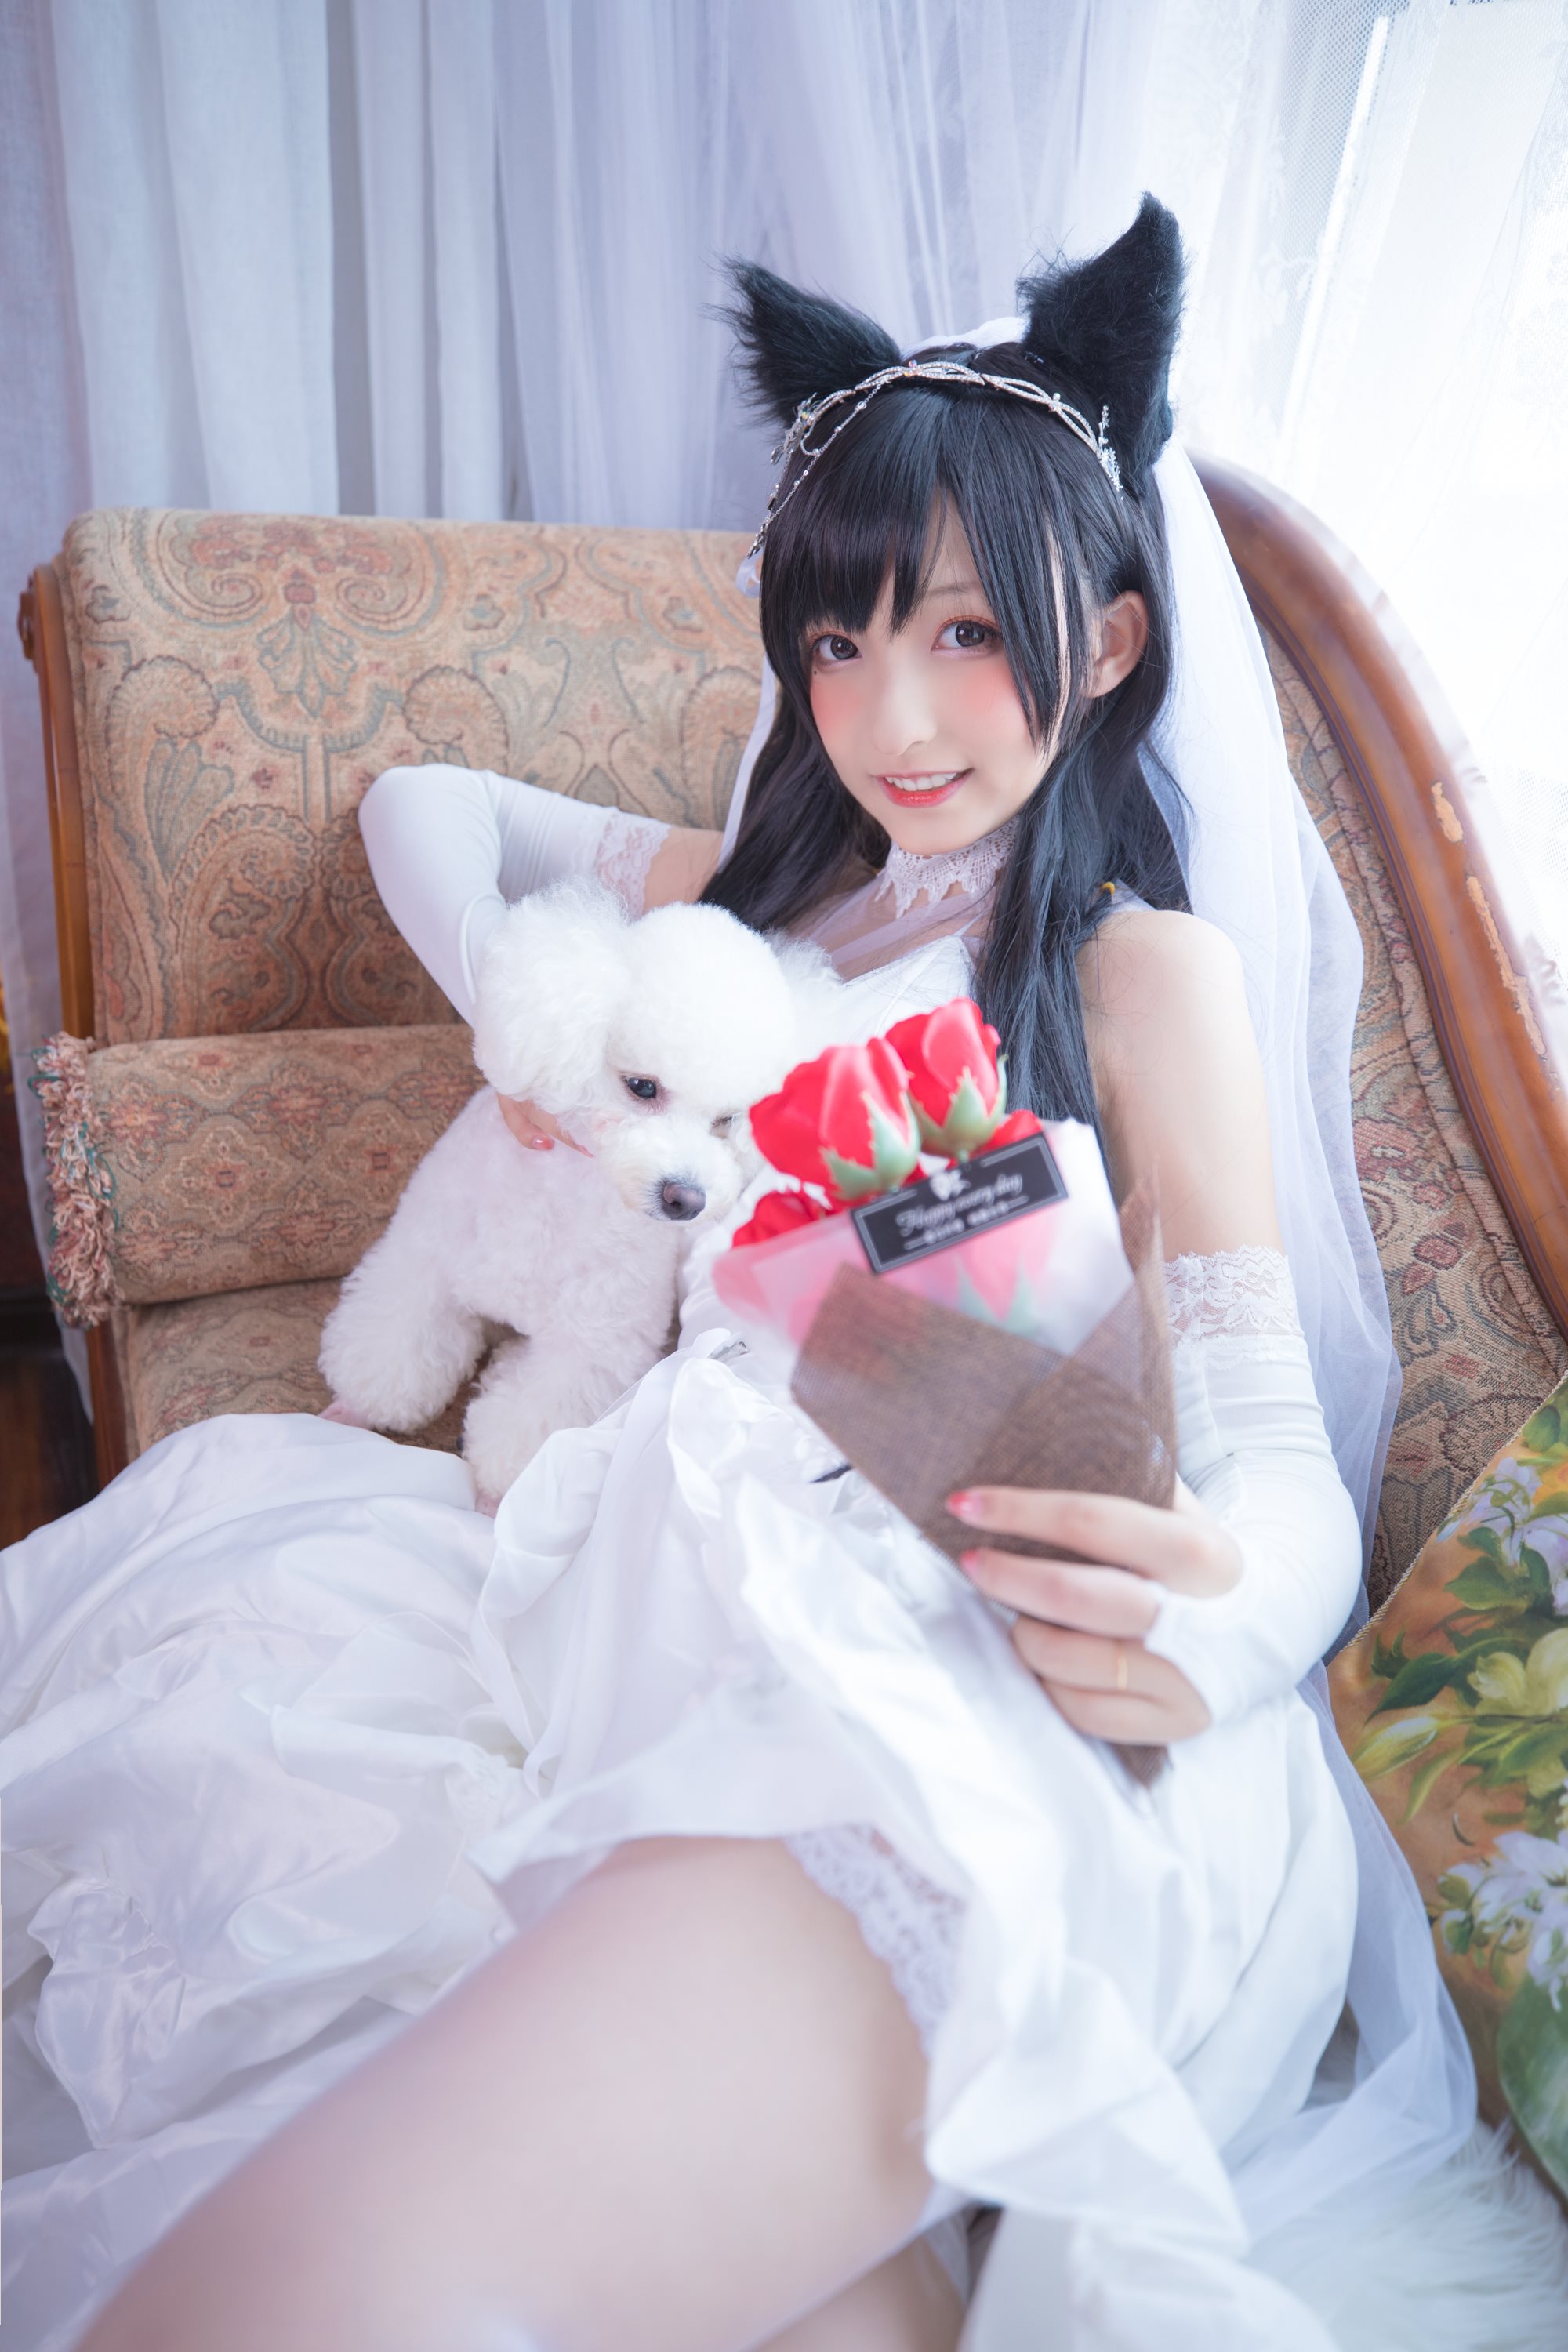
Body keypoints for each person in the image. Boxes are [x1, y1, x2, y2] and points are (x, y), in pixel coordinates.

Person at [2, 198, 1470, 2352]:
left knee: (298, 2293)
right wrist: (556, 1022)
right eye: (840, 643)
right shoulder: (756, 902)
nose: (895, 713)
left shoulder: (1137, 971)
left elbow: (1280, 1477)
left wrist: (1213, 1623)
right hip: (649, 1571)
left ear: (1111, 646)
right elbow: (428, 810)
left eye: (967, 633)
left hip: (973, 1640)